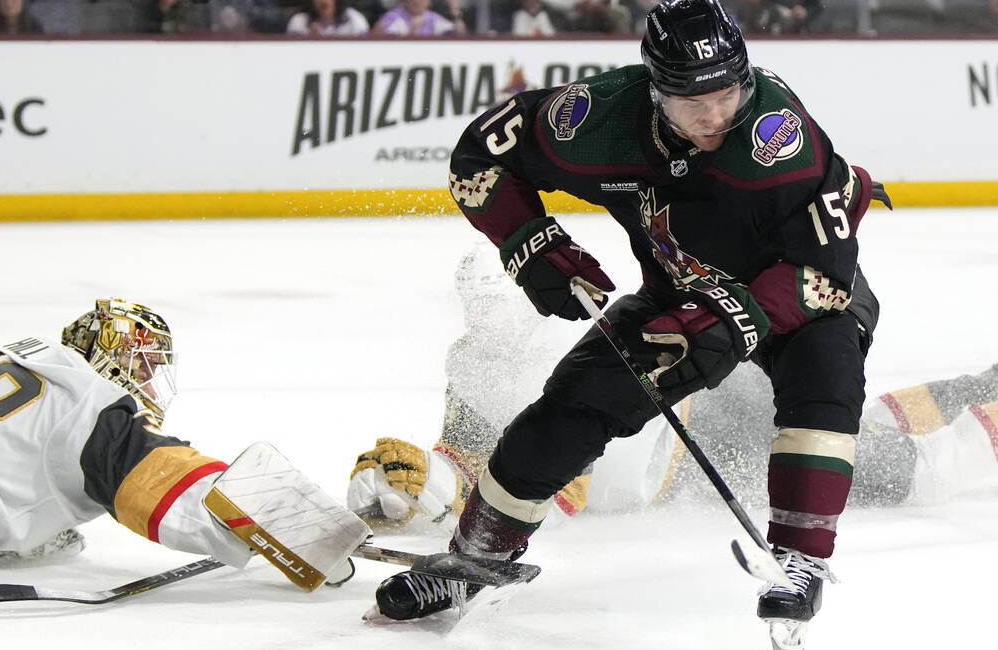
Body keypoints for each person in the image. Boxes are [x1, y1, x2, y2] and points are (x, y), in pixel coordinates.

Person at [371, 0, 891, 650]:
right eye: (693, 103)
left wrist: (731, 321)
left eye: (728, 94)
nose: (715, 116)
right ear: (655, 91)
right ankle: (473, 560)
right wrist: (531, 242)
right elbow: (479, 156)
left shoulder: (776, 136)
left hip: (795, 291)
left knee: (827, 374)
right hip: (677, 291)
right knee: (567, 411)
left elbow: (828, 273)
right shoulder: (595, 118)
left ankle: (801, 561)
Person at [350, 244, 998, 532]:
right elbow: (469, 450)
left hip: (716, 426)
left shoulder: (549, 342)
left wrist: (441, 495)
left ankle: (984, 409)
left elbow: (558, 480)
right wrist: (416, 480)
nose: (484, 318)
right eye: (478, 307)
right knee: (865, 428)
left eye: (496, 304)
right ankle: (982, 386)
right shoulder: (475, 361)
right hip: (690, 444)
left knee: (916, 472)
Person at [0, 298, 364, 586]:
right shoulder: (94, 411)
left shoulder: (22, 353)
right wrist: (317, 536)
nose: (144, 388)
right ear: (116, 361)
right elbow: (186, 495)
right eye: (143, 369)